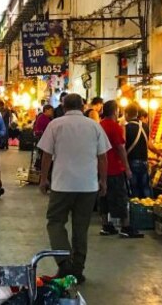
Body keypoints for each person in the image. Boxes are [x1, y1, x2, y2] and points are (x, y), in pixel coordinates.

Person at [37, 93, 111, 283]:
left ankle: (64, 263)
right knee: (81, 227)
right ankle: (77, 269)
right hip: (88, 186)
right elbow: (103, 157)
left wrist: (43, 179)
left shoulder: (55, 125)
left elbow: (46, 155)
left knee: (55, 222)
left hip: (62, 184)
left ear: (64, 107)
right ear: (83, 106)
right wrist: (103, 180)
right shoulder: (94, 126)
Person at [97, 101, 143, 239]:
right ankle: (125, 226)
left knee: (103, 197)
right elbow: (120, 148)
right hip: (114, 168)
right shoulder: (114, 127)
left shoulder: (99, 126)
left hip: (100, 168)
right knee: (121, 197)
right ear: (115, 111)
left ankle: (106, 225)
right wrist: (127, 168)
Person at [123, 104, 162, 199]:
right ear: (136, 114)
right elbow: (150, 145)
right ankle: (148, 204)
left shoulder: (126, 127)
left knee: (134, 188)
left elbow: (123, 146)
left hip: (132, 162)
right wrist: (160, 153)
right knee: (145, 187)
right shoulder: (144, 126)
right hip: (144, 162)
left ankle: (136, 206)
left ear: (127, 114)